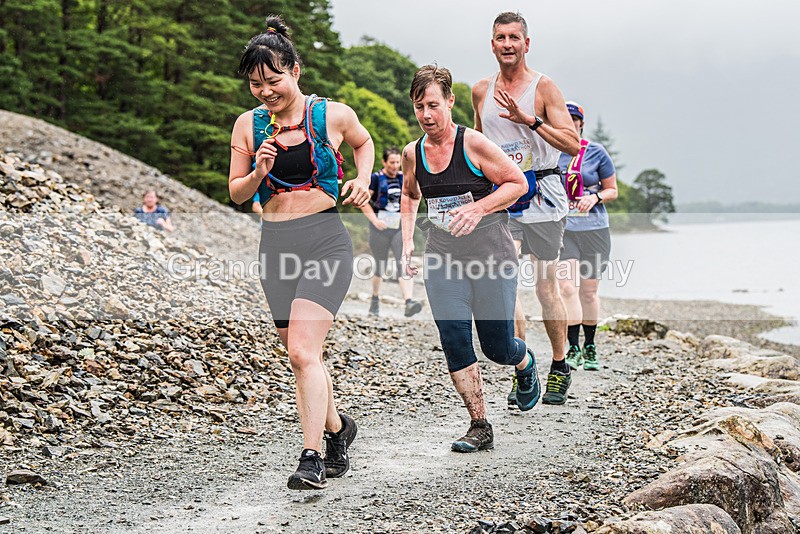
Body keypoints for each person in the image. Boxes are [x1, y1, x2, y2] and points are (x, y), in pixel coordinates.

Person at [228, 15, 373, 490]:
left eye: (273, 80)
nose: (265, 91)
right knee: (300, 356)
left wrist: (364, 179)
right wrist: (258, 171)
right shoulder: (248, 126)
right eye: (255, 84)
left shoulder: (331, 114)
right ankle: (337, 431)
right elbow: (236, 191)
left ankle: (310, 458)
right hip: (275, 245)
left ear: (295, 69)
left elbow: (364, 142)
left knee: (302, 351)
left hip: (325, 240)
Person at [401, 65, 541, 453]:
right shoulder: (413, 152)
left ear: (450, 101)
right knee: (455, 340)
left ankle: (525, 362)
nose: (426, 115)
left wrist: (477, 209)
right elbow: (411, 195)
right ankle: (479, 424)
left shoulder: (474, 144)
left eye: (433, 105)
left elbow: (517, 183)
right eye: (418, 106)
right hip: (443, 257)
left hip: (491, 256)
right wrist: (407, 240)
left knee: (497, 348)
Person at [472, 11, 580, 406]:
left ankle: (560, 363)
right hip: (503, 198)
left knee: (546, 286)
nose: (507, 44)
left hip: (546, 196)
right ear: (492, 43)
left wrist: (529, 120)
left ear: (526, 43)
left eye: (514, 37)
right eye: (500, 37)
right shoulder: (481, 90)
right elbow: (476, 147)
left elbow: (571, 144)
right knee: (506, 281)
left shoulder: (544, 86)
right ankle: (523, 367)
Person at [558, 101, 617, 371]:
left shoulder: (596, 152)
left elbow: (612, 190)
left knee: (589, 292)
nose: (569, 124)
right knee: (567, 287)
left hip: (594, 230)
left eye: (574, 120)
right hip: (563, 230)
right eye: (564, 119)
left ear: (581, 123)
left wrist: (595, 197)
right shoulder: (550, 151)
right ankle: (573, 347)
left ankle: (590, 346)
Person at [359, 147, 423, 317]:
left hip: (398, 228)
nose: (395, 166)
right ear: (384, 162)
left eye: (397, 162)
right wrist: (374, 220)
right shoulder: (376, 178)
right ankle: (374, 300)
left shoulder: (404, 178)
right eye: (392, 162)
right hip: (379, 228)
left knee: (403, 260)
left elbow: (413, 197)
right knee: (380, 264)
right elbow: (363, 201)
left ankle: (409, 302)